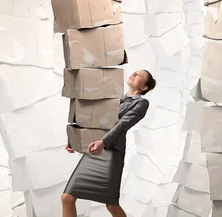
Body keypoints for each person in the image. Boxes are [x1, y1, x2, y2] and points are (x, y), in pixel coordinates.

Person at [61, 70, 156, 217]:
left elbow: (123, 124)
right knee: (67, 197)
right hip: (94, 150)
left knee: (111, 204)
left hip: (111, 152)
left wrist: (103, 142)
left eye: (140, 76)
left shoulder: (142, 103)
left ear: (144, 87)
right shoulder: (114, 98)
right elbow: (92, 118)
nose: (134, 74)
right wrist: (73, 139)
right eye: (135, 72)